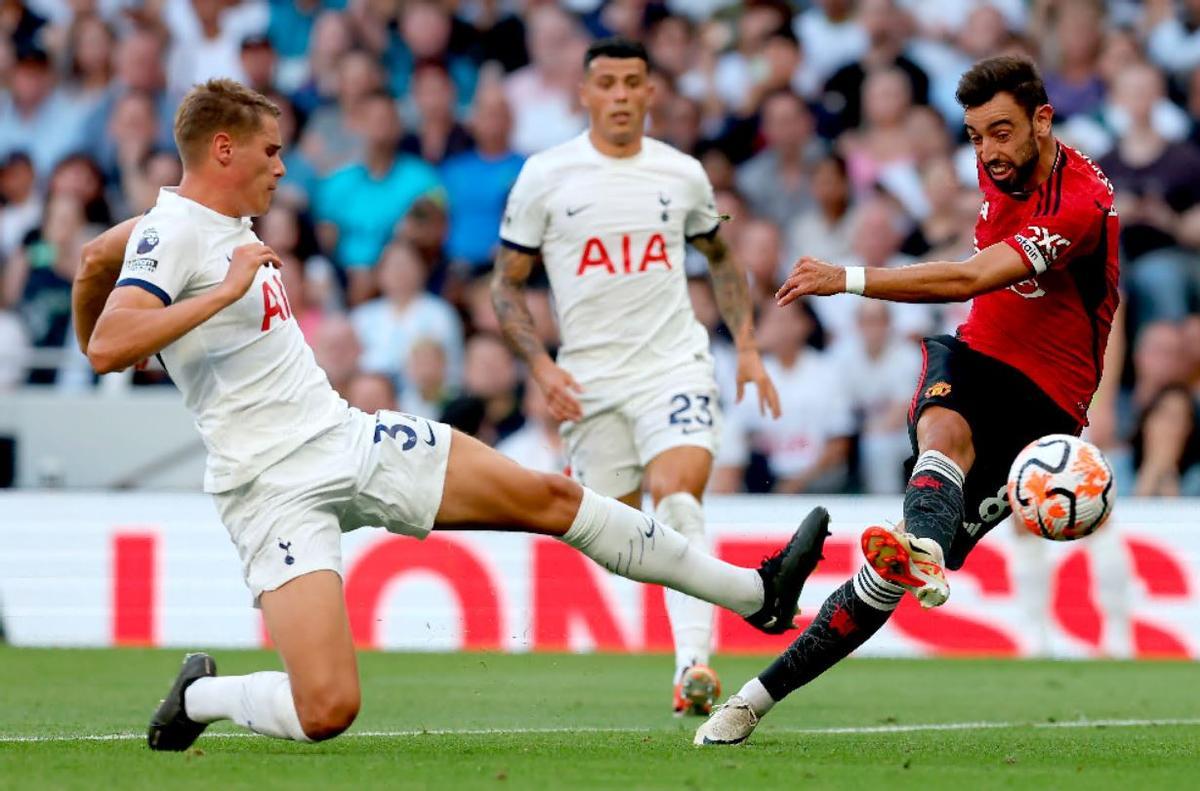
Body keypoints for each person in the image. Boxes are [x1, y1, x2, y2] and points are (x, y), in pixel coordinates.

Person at [70, 78, 826, 752]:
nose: (281, 166)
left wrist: (159, 336)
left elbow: (92, 265)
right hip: (269, 485)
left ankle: (756, 594)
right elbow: (106, 346)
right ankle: (200, 695)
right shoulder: (176, 235)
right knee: (327, 708)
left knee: (549, 497)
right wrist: (212, 300)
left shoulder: (185, 227)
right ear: (223, 148)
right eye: (270, 151)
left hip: (345, 435)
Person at [696, 55, 1120, 745]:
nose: (988, 152)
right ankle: (919, 542)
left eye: (1002, 132)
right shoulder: (1001, 164)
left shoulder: (1079, 203)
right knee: (940, 435)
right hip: (978, 354)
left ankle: (754, 696)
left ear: (1044, 121)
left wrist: (849, 277)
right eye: (976, 135)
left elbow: (970, 274)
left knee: (882, 581)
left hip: (1046, 403)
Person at [491, 38, 783, 717]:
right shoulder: (545, 175)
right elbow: (506, 285)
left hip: (673, 364)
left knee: (676, 495)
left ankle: (693, 666)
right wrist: (539, 364)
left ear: (651, 93)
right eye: (607, 83)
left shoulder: (680, 173)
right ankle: (696, 635)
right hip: (589, 381)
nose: (620, 95)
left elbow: (720, 255)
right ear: (584, 94)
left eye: (632, 83)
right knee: (616, 535)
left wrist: (744, 344)